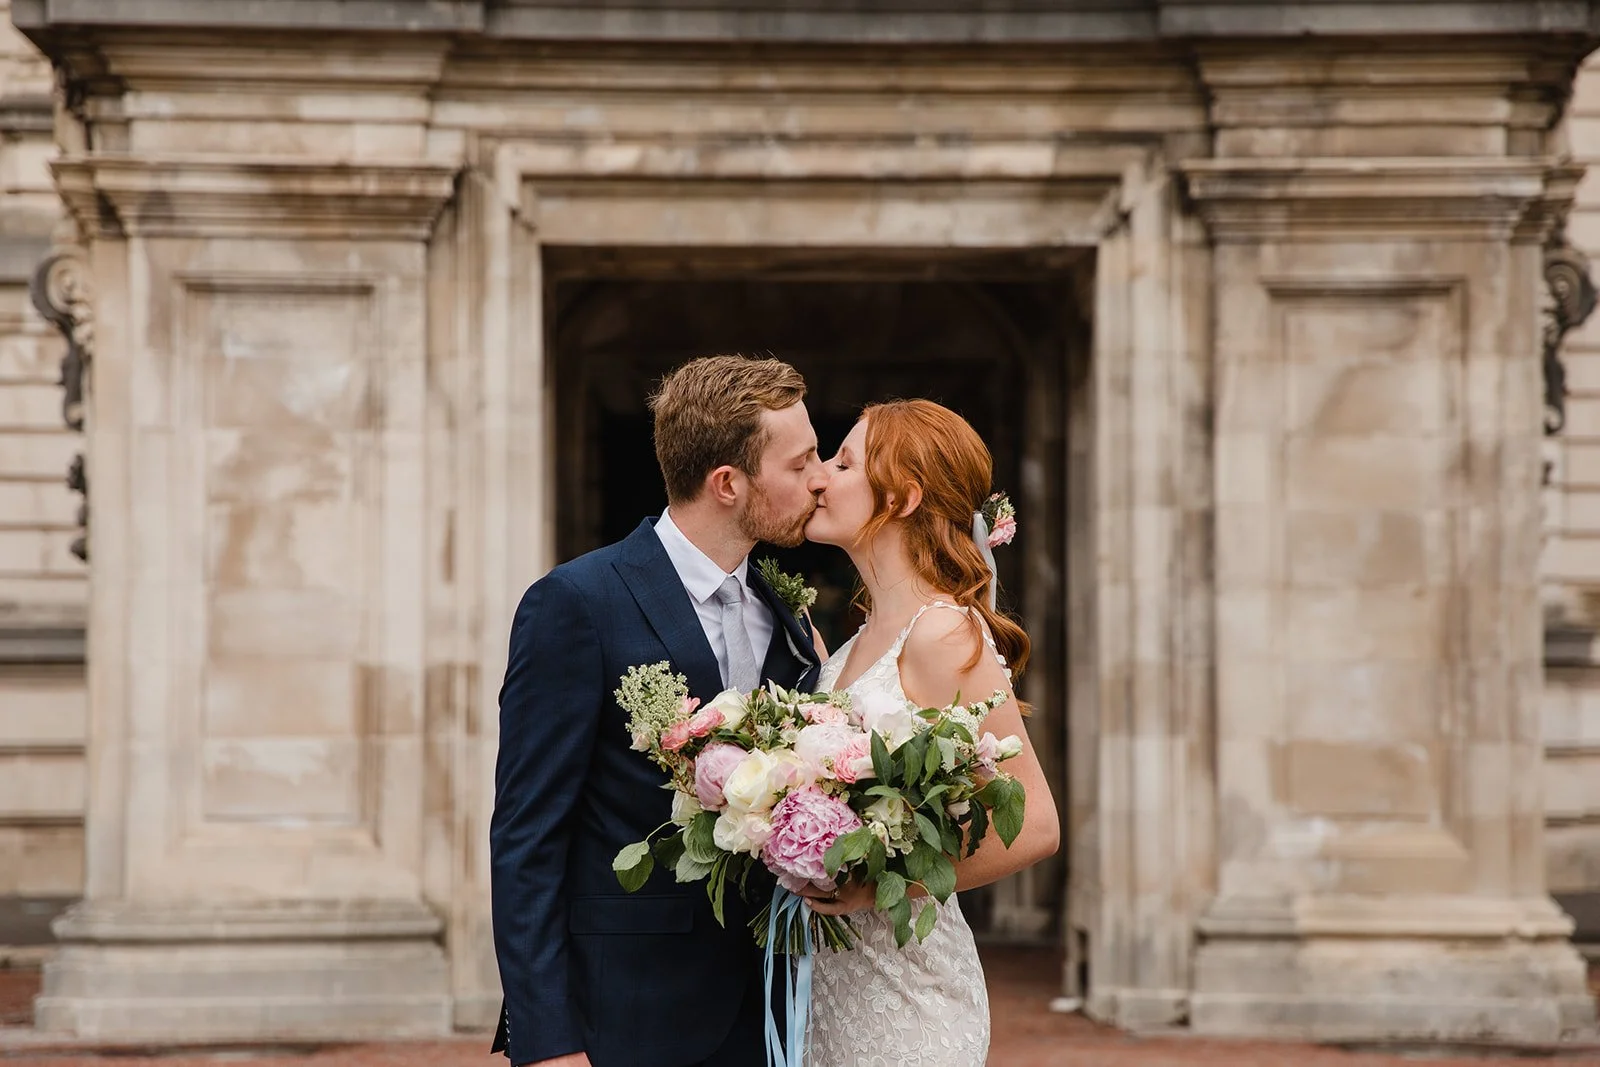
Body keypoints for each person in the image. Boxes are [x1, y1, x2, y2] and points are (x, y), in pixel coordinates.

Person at [490, 355, 828, 1067]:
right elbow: (527, 836)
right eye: (801, 464)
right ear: (728, 484)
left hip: (770, 1015)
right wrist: (548, 1042)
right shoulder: (577, 603)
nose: (820, 477)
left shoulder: (787, 613)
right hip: (627, 1020)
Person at [800, 398, 1061, 1066]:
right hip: (828, 993)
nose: (819, 477)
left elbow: (1035, 824)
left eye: (844, 461)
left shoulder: (945, 632)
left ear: (905, 496)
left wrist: (877, 886)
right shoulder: (847, 647)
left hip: (906, 1002)